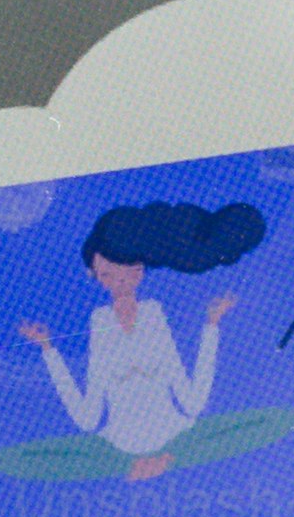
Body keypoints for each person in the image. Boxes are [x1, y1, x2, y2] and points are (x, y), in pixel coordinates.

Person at [18, 196, 261, 477]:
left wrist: (212, 326)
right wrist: (48, 350)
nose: (120, 282)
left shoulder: (153, 313)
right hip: (123, 439)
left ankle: (158, 459)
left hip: (170, 429)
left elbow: (190, 396)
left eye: (131, 272)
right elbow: (88, 413)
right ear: (94, 274)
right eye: (108, 274)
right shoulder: (100, 321)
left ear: (142, 271)